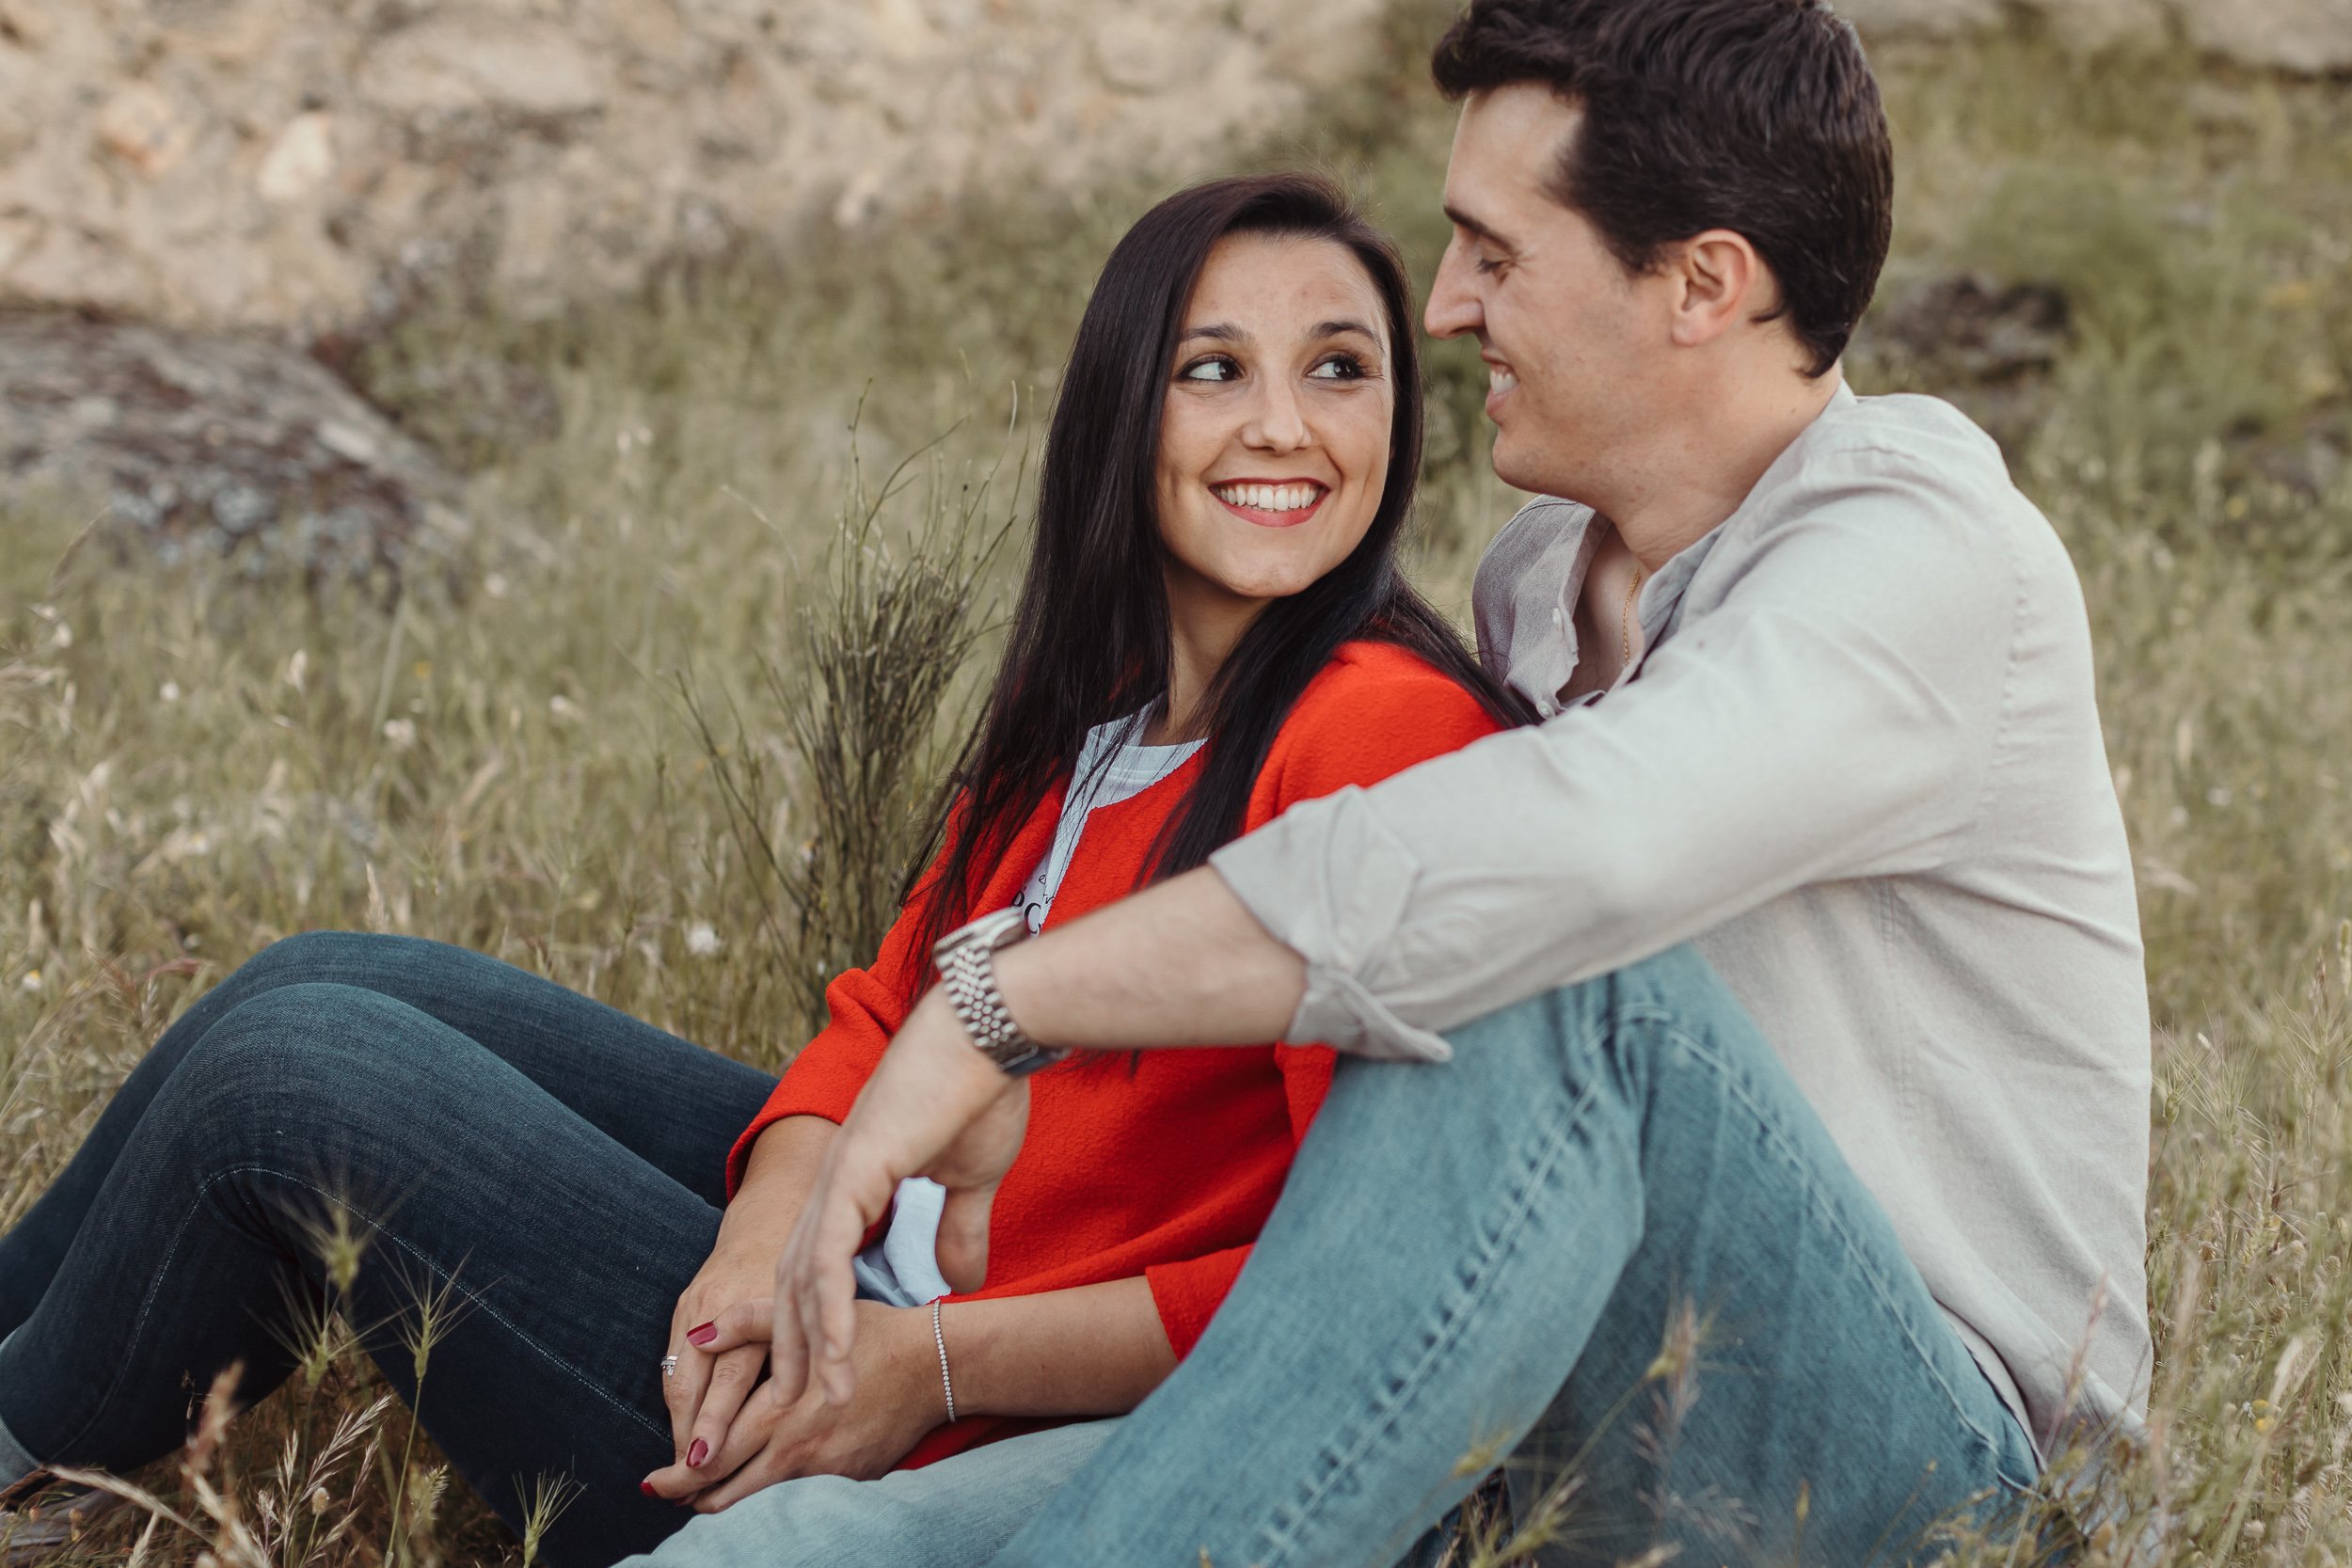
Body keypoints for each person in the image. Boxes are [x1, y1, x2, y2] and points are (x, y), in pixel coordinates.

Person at [728, 3, 2155, 1566]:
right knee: (807, 1547)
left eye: (1495, 250)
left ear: (1702, 284)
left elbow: (1570, 864)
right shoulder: (1540, 575)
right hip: (1537, 1384)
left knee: (1548, 973)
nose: (1453, 306)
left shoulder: (1924, 556)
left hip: (1924, 1463)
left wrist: (1006, 1008)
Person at [0, 175, 1524, 1568]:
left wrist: (922, 1365)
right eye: (1216, 369)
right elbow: (881, 1017)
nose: (1285, 426)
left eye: (1341, 367)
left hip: (941, 1418)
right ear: (1122, 410)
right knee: (325, 972)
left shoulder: (1382, 734)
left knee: (293, 1073)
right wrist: (752, 1256)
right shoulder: (1104, 704)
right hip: (848, 1287)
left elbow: (1356, 1282)